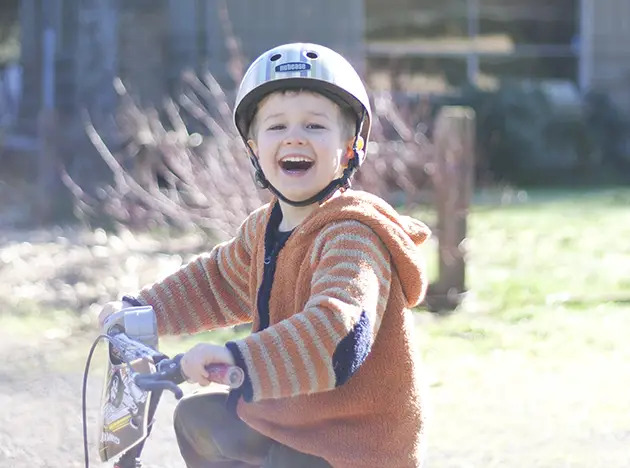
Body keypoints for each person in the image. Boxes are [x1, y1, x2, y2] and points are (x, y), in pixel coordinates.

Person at [99, 42, 431, 468]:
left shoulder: (354, 236)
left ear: (350, 148)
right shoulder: (264, 229)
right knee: (198, 419)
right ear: (254, 149)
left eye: (315, 126)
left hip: (353, 444)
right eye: (277, 127)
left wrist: (236, 357)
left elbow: (337, 333)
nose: (294, 136)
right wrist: (140, 311)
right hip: (289, 420)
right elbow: (214, 283)